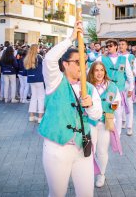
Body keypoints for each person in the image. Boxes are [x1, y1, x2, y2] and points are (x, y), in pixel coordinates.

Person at [39, 21, 102, 197]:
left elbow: (97, 114)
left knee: (86, 194)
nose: (84, 65)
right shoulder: (55, 81)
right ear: (65, 64)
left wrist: (89, 105)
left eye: (85, 61)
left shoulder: (89, 88)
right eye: (78, 61)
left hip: (83, 148)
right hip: (57, 148)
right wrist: (71, 38)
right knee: (57, 194)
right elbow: (49, 59)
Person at [87, 61, 121, 188]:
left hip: (105, 123)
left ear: (105, 72)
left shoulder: (112, 86)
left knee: (102, 151)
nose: (99, 73)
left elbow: (117, 102)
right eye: (96, 70)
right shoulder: (87, 86)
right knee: (89, 150)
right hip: (90, 122)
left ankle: (101, 174)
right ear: (92, 72)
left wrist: (114, 105)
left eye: (101, 70)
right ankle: (86, 173)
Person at [96, 39, 134, 136]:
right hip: (106, 90)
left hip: (119, 91)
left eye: (111, 45)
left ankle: (118, 133)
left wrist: (131, 88)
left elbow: (129, 75)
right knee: (107, 110)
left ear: (116, 46)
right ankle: (106, 131)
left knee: (118, 112)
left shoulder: (123, 59)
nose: (109, 47)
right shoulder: (101, 58)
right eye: (107, 46)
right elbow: (92, 70)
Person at [118, 39, 136, 136]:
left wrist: (131, 85)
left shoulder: (131, 56)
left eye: (123, 44)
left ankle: (130, 126)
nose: (121, 46)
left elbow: (134, 69)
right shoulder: (117, 57)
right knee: (120, 104)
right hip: (119, 84)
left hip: (128, 84)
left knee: (129, 104)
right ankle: (123, 120)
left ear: (127, 46)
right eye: (119, 44)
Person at [24, 44, 45, 123]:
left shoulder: (28, 57)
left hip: (31, 79)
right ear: (36, 49)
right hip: (39, 79)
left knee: (33, 97)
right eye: (38, 48)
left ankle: (31, 116)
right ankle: (40, 117)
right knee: (41, 98)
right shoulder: (39, 57)